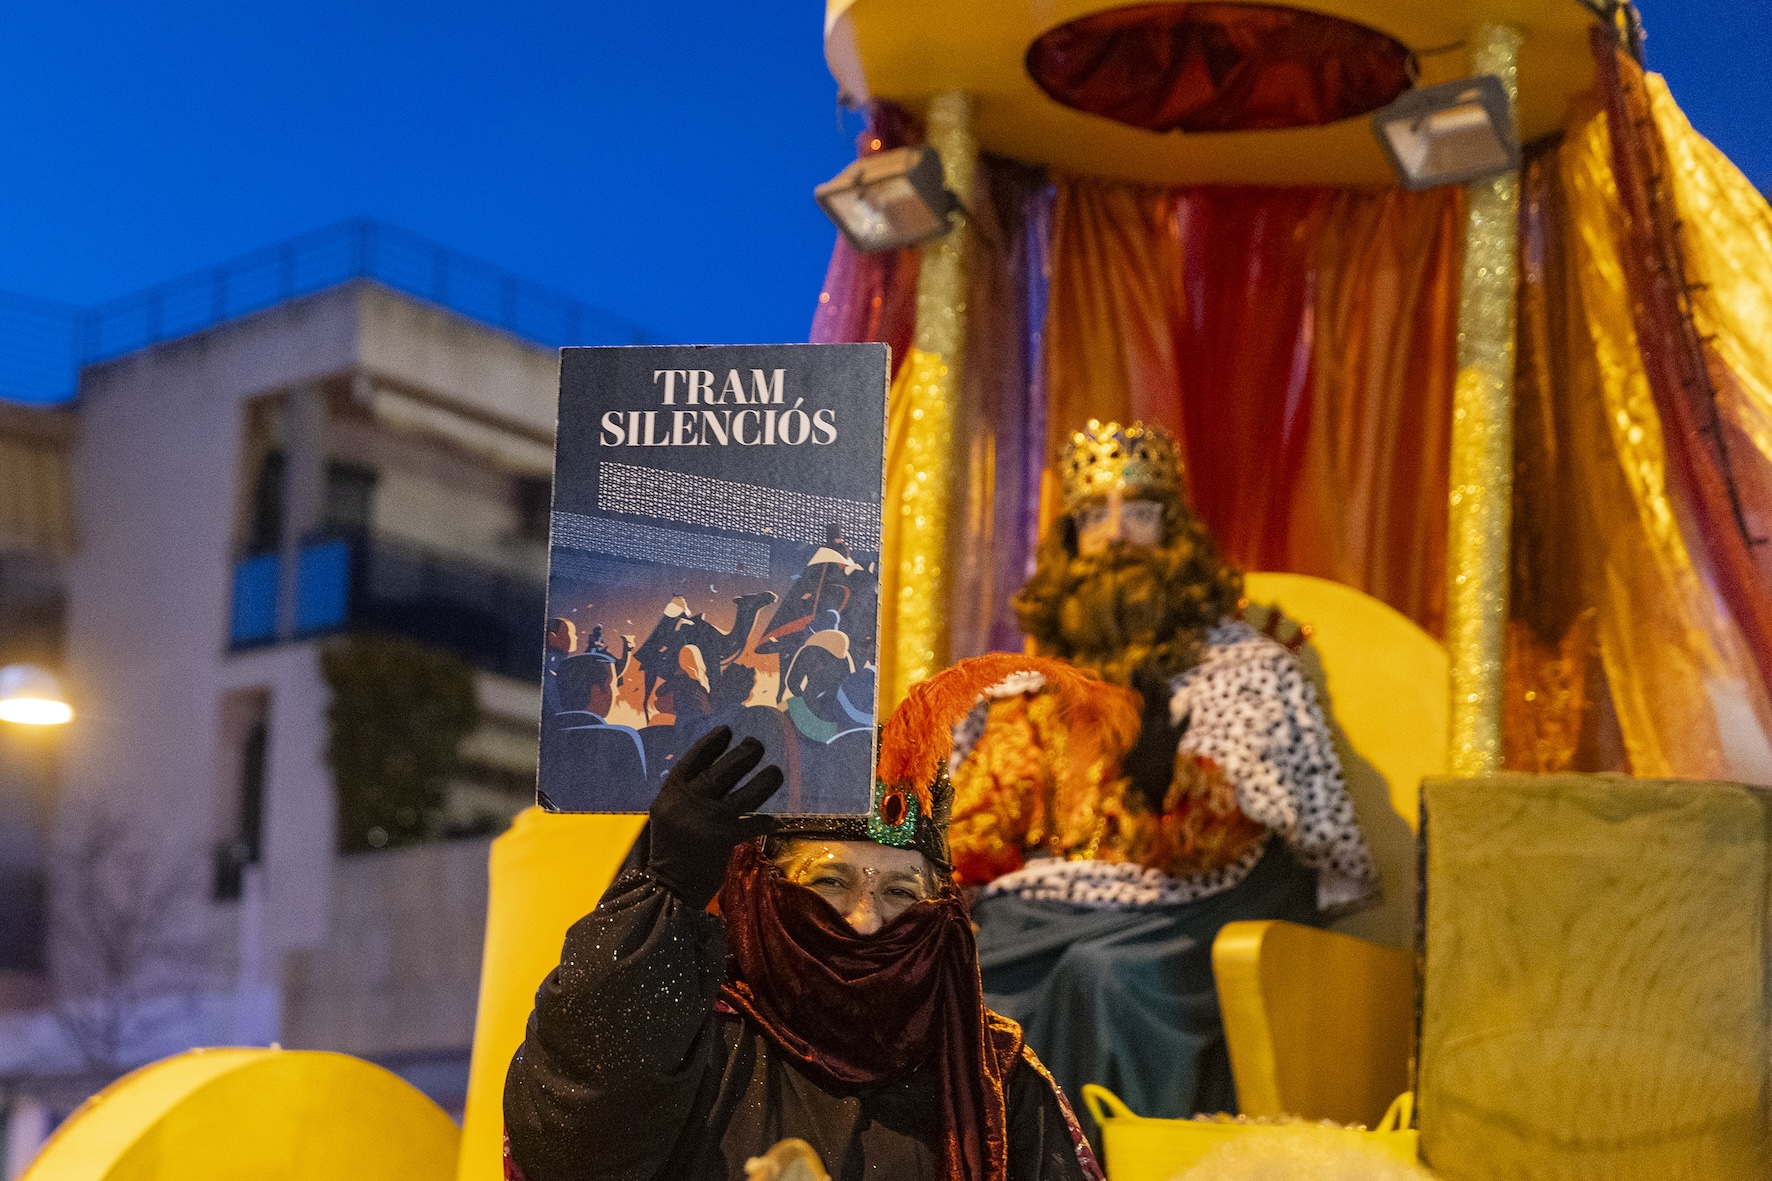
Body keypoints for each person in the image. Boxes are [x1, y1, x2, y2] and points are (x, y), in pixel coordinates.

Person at [504, 655, 1108, 1181]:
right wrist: (667, 889)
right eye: (829, 881)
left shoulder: (998, 1081)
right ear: (762, 890)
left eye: (902, 892)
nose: (866, 919)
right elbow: (570, 1139)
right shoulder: (693, 1041)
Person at [948, 419, 1379, 1129]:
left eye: (1140, 512)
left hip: (1204, 905)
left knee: (1101, 975)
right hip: (1053, 906)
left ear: (1174, 534)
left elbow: (1245, 831)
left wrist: (1170, 778)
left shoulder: (1244, 669)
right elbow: (978, 825)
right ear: (1068, 542)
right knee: (963, 974)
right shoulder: (1026, 688)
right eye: (1093, 515)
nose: (1115, 534)